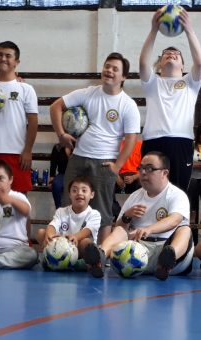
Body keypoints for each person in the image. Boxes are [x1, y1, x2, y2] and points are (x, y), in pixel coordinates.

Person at [50, 53, 141, 242]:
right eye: (107, 66)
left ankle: (101, 252)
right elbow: (55, 106)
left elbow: (131, 139)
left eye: (115, 69)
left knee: (102, 211)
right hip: (78, 158)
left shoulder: (128, 104)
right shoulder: (88, 93)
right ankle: (66, 250)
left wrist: (117, 166)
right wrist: (61, 135)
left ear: (123, 76)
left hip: (104, 163)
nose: (109, 71)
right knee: (68, 206)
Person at [81, 151, 193, 281]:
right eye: (141, 168)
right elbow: (119, 228)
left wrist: (149, 229)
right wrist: (126, 216)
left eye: (149, 168)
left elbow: (175, 220)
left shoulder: (177, 195)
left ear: (164, 173)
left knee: (185, 230)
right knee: (120, 230)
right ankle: (100, 257)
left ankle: (166, 263)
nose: (143, 173)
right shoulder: (135, 196)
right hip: (137, 253)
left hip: (167, 249)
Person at [138, 6, 201, 191]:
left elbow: (199, 63)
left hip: (181, 141)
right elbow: (143, 62)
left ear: (183, 66)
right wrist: (154, 30)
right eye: (166, 54)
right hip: (153, 141)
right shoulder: (152, 83)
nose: (171, 54)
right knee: (151, 192)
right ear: (160, 64)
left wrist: (189, 30)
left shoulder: (190, 83)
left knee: (178, 192)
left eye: (177, 55)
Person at [0, 41, 39, 196]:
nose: (3, 58)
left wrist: (28, 150)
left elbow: (33, 122)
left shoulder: (25, 89)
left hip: (18, 153)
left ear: (16, 62)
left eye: (8, 55)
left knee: (20, 200)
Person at [37, 176, 101, 271]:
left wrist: (76, 237)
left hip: (78, 247)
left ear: (92, 194)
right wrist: (50, 236)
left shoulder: (94, 214)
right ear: (69, 195)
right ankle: (53, 258)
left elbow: (88, 230)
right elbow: (52, 225)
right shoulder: (61, 211)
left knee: (86, 242)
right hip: (61, 246)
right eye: (74, 190)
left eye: (84, 190)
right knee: (41, 233)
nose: (79, 193)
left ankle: (78, 263)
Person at [49, 142, 72, 209]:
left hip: (77, 175)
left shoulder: (78, 147)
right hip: (62, 173)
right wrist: (51, 179)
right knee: (56, 184)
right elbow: (53, 164)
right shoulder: (57, 147)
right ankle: (59, 209)